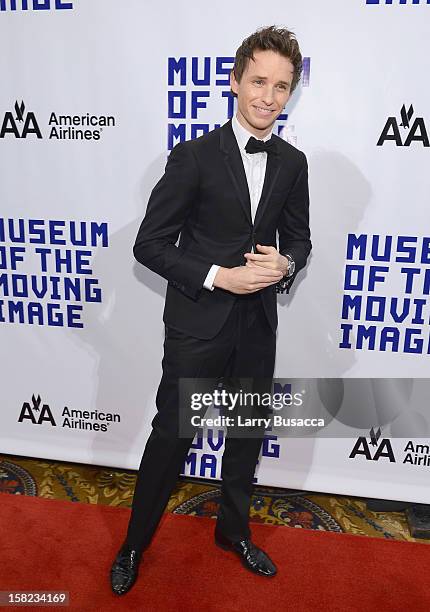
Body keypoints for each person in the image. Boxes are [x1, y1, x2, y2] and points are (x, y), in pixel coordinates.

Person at [110, 24, 312, 595]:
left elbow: (301, 239)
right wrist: (220, 276)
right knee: (172, 436)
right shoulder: (194, 156)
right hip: (198, 327)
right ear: (234, 81)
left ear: (291, 92)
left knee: (246, 435)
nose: (268, 97)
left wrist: (286, 264)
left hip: (257, 328)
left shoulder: (293, 163)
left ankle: (234, 532)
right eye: (258, 82)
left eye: (281, 86)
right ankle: (132, 546)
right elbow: (148, 244)